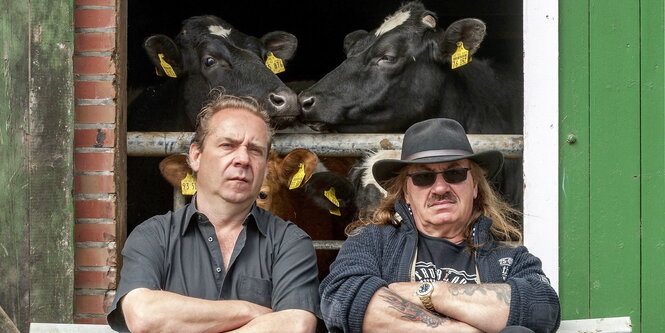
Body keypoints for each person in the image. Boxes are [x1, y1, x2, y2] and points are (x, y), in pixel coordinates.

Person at [319, 118, 560, 333]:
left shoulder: (511, 259)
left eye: (454, 174)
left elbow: (541, 307)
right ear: (405, 193)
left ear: (475, 186)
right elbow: (342, 299)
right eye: (424, 177)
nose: (441, 188)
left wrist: (428, 293)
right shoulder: (372, 242)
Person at [107, 93, 319, 332]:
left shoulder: (290, 242)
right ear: (196, 156)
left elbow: (296, 325)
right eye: (227, 145)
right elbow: (144, 315)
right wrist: (249, 311)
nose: (242, 159)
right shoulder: (153, 235)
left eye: (255, 150)